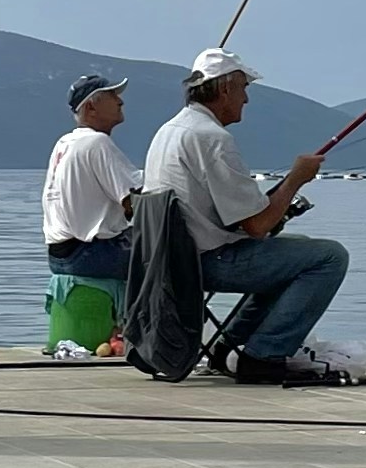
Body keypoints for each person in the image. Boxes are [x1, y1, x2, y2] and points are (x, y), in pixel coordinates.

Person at [143, 46, 349, 384]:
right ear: (224, 88)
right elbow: (257, 226)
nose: (246, 100)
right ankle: (263, 355)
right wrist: (295, 179)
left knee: (297, 250)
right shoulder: (212, 139)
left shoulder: (168, 131)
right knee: (329, 257)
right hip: (209, 260)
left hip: (173, 259)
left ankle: (230, 347)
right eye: (243, 89)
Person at [42, 73, 138, 288]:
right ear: (91, 108)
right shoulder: (97, 142)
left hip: (59, 257)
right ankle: (169, 319)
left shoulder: (64, 143)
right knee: (176, 252)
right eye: (112, 95)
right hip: (91, 255)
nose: (120, 101)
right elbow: (134, 202)